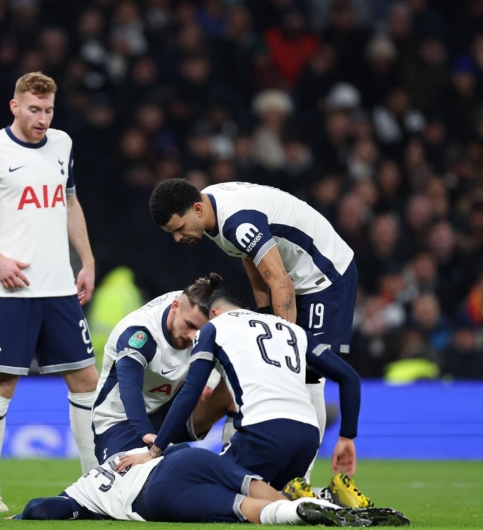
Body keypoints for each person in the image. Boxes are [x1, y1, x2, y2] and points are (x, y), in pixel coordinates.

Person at [0, 72, 98, 513]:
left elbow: (70, 202)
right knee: (2, 383)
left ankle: (94, 484)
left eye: (49, 110)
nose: (43, 119)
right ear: (15, 106)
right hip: (14, 290)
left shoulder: (62, 144)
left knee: (86, 380)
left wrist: (86, 261)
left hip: (60, 290)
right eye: (34, 109)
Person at [149, 178, 358, 480]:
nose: (178, 238)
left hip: (324, 276)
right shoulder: (213, 215)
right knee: (296, 374)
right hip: (293, 276)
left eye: (179, 228)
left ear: (196, 208)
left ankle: (299, 481)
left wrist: (282, 344)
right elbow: (254, 266)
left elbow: (281, 283)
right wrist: (263, 315)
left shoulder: (238, 222)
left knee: (307, 377)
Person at [116, 287, 369, 508]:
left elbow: (190, 393)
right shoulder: (290, 329)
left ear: (213, 313)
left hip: (263, 435)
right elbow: (350, 378)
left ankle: (323, 500)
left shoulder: (214, 328)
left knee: (201, 489)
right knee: (276, 506)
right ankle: (318, 499)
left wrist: (156, 449)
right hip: (307, 437)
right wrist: (347, 437)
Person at [14, 445, 409, 527]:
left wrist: (25, 513)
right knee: (265, 492)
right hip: (184, 457)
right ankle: (345, 512)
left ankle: (305, 515)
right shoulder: (129, 452)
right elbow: (180, 446)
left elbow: (42, 509)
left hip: (156, 495)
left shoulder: (81, 493)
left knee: (247, 510)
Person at [93, 273, 234, 463]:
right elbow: (130, 387)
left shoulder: (206, 319)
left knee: (234, 390)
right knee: (133, 479)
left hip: (168, 412)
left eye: (200, 331)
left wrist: (210, 383)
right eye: (189, 326)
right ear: (175, 307)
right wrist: (146, 434)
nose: (194, 337)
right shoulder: (140, 334)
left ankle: (237, 465)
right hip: (122, 420)